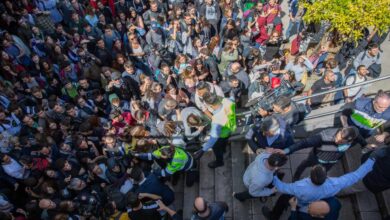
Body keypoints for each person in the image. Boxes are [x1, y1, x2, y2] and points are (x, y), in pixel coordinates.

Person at [262, 157, 375, 220]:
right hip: (318, 202)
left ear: (310, 176)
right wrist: (372, 160)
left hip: (301, 203)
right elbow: (356, 175)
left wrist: (274, 174)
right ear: (325, 177)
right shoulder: (336, 183)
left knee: (283, 199)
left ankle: (274, 216)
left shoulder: (299, 187)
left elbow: (282, 187)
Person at [283, 126, 369, 180]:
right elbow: (303, 143)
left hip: (332, 162)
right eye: (338, 137)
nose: (338, 140)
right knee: (304, 164)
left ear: (350, 140)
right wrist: (286, 150)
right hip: (317, 157)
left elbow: (361, 140)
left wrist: (366, 145)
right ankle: (296, 177)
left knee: (321, 174)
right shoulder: (324, 136)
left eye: (342, 141)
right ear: (341, 130)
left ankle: (312, 181)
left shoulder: (354, 134)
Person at [193, 93, 237, 168]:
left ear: (210, 106)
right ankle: (223, 150)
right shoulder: (228, 101)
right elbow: (233, 97)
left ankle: (219, 162)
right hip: (231, 127)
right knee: (224, 142)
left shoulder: (216, 120)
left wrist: (203, 150)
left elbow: (213, 139)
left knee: (216, 147)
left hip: (222, 134)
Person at [134, 145, 198, 186]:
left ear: (168, 158)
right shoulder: (165, 149)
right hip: (182, 163)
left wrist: (152, 171)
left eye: (162, 157)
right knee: (176, 172)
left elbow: (165, 173)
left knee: (189, 184)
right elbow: (152, 155)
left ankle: (195, 173)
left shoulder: (175, 161)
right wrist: (138, 155)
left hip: (190, 165)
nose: (160, 156)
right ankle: (176, 178)